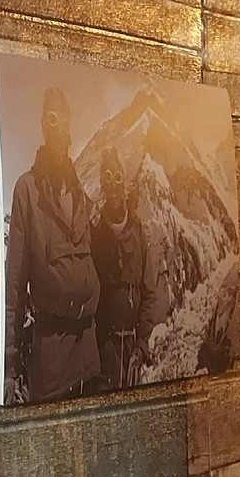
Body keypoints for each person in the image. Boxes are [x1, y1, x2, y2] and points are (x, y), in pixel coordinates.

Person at [5, 88, 99, 403]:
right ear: (44, 125)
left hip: (88, 357)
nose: (60, 127)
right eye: (52, 118)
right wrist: (10, 366)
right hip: (52, 362)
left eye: (64, 118)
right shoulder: (27, 190)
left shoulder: (78, 191)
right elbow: (15, 286)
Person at [90, 147, 150, 390]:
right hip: (105, 349)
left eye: (117, 177)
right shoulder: (95, 233)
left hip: (133, 348)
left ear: (124, 183)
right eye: (107, 176)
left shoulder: (137, 230)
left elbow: (148, 290)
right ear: (102, 184)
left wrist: (142, 345)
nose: (113, 184)